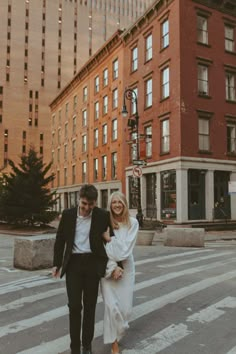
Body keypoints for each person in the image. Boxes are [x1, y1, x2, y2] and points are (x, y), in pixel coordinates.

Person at [52, 184, 110, 354]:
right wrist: (56, 263)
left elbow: (112, 238)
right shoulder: (68, 215)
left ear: (95, 203)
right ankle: (74, 348)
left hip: (92, 264)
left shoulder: (102, 215)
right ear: (79, 200)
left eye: (90, 205)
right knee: (75, 306)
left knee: (90, 307)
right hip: (74, 265)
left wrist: (117, 265)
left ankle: (87, 346)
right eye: (84, 204)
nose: (87, 208)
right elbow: (60, 239)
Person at [100, 191, 139, 354]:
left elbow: (124, 252)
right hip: (107, 269)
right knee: (111, 308)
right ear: (110, 205)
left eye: (120, 202)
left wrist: (109, 239)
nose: (117, 205)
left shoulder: (133, 223)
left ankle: (119, 331)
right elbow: (100, 251)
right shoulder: (104, 223)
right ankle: (114, 343)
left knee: (125, 310)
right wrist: (112, 267)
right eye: (113, 202)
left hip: (127, 269)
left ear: (124, 204)